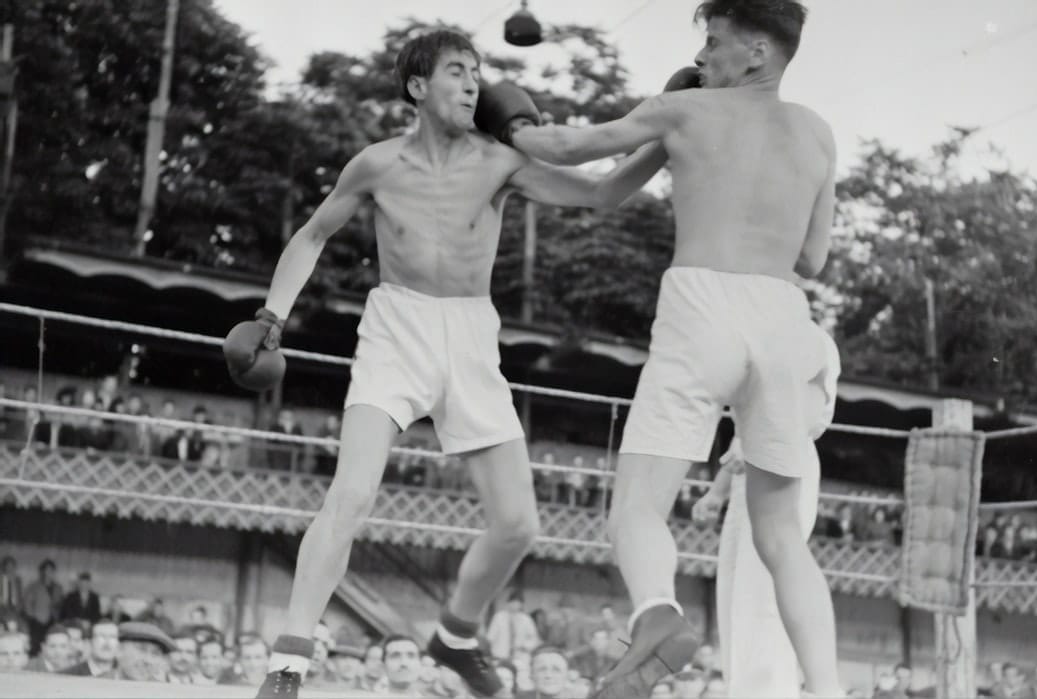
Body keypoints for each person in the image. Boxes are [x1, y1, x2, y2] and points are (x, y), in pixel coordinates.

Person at [225, 28, 669, 699]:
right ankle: (288, 661)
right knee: (352, 494)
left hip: (470, 336)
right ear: (417, 86)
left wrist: (666, 131)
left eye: (476, 72)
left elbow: (602, 195)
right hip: (395, 330)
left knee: (519, 524)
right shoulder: (376, 164)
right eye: (457, 71)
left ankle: (456, 634)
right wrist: (271, 316)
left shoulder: (500, 161)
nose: (472, 83)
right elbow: (313, 235)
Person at [511, 1, 842, 695]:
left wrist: (505, 119)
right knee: (782, 538)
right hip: (786, 318)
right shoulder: (818, 133)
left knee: (636, 509)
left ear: (757, 51)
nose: (701, 57)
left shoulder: (683, 109)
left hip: (704, 305)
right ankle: (828, 687)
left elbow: (566, 150)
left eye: (714, 43)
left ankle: (658, 613)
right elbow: (813, 258)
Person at [694, 325, 840, 698]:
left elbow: (805, 414)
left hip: (785, 461)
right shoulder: (752, 339)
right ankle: (742, 688)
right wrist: (716, 492)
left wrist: (760, 441)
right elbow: (743, 432)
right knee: (736, 591)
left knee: (764, 591)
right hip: (750, 469)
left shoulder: (807, 338)